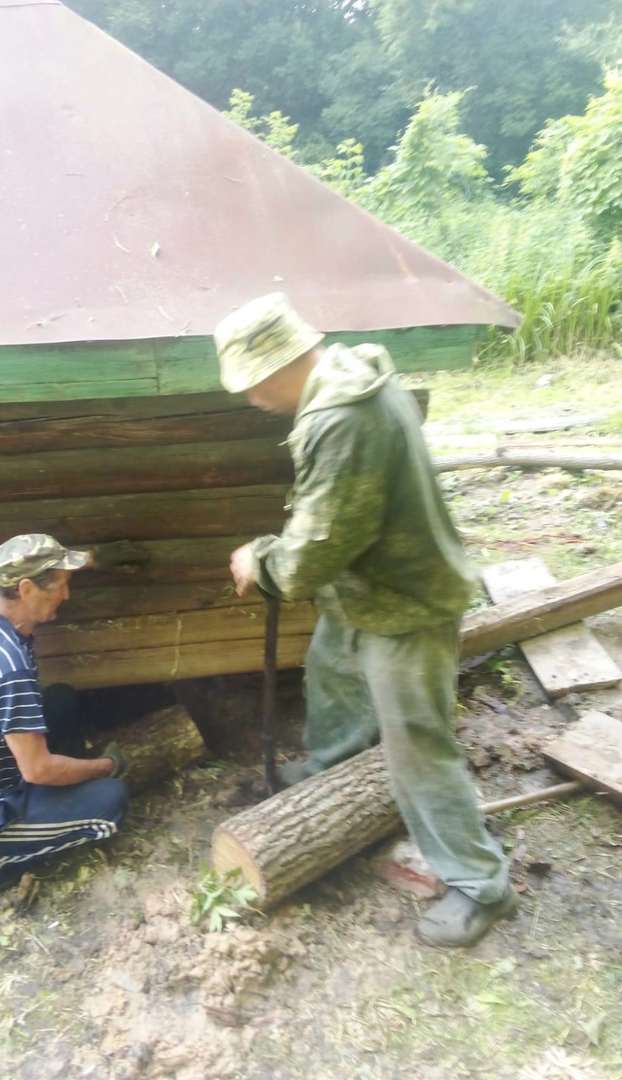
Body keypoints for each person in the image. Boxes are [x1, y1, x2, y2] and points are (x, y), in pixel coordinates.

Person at [214, 293, 518, 948]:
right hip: (367, 591)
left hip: (406, 606)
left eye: (251, 382)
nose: (249, 398)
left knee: (418, 747)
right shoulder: (348, 374)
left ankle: (478, 883)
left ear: (282, 361)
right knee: (332, 671)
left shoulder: (345, 419)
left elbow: (314, 552)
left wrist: (259, 558)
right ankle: (334, 766)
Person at [0, 533, 133, 892]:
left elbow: (18, 562)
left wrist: (94, 558)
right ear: (28, 589)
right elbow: (39, 770)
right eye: (61, 585)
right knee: (111, 802)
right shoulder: (6, 668)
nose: (66, 594)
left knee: (61, 699)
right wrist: (105, 768)